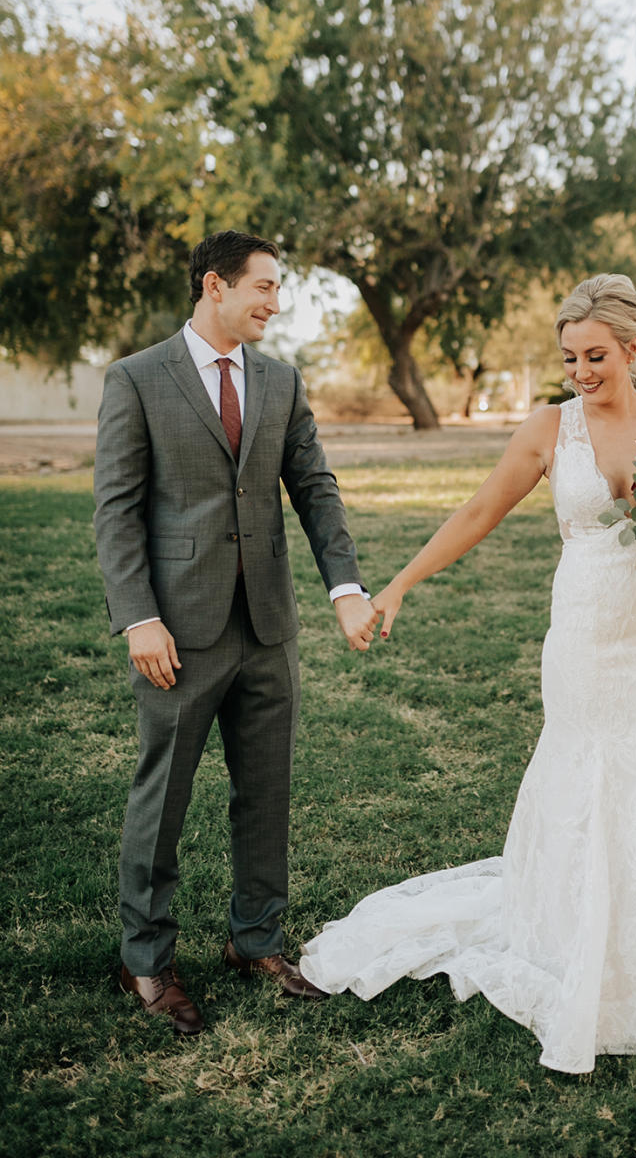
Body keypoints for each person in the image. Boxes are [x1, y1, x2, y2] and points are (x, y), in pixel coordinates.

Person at [301, 273, 636, 1074]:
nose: (582, 372)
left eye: (596, 356)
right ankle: (576, 942)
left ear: (631, 348)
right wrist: (402, 583)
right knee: (589, 774)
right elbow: (478, 511)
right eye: (569, 358)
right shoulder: (550, 428)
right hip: (588, 636)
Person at [94, 230, 379, 1037]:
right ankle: (144, 959)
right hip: (176, 631)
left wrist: (346, 588)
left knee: (267, 792)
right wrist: (139, 617)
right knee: (164, 796)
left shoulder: (282, 382)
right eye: (264, 287)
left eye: (279, 289)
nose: (274, 303)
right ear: (215, 285)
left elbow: (315, 490)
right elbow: (116, 511)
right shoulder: (137, 378)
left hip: (268, 626)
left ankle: (256, 940)